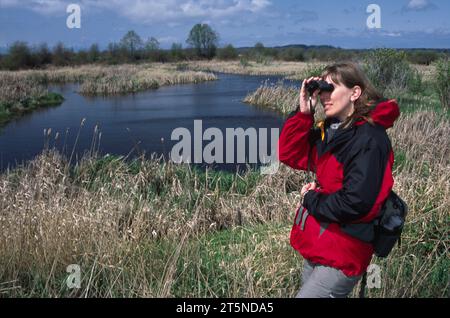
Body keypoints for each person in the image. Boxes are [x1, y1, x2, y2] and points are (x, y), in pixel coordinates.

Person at [278, 62, 400, 298]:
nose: (324, 96)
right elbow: (290, 154)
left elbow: (356, 202)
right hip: (321, 244)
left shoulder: (368, 140)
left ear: (355, 92)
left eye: (331, 88)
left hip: (344, 251)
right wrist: (304, 113)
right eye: (322, 89)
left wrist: (311, 198)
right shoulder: (332, 132)